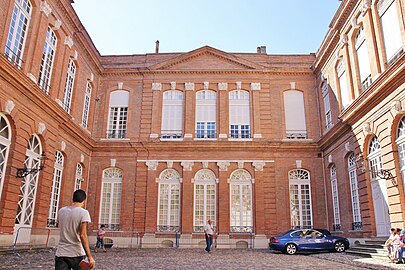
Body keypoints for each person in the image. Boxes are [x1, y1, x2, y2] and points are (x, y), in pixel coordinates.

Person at [55, 189, 95, 270]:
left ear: (72, 199)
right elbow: (83, 235)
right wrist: (90, 256)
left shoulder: (61, 211)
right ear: (84, 200)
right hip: (77, 253)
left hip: (61, 253)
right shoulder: (84, 213)